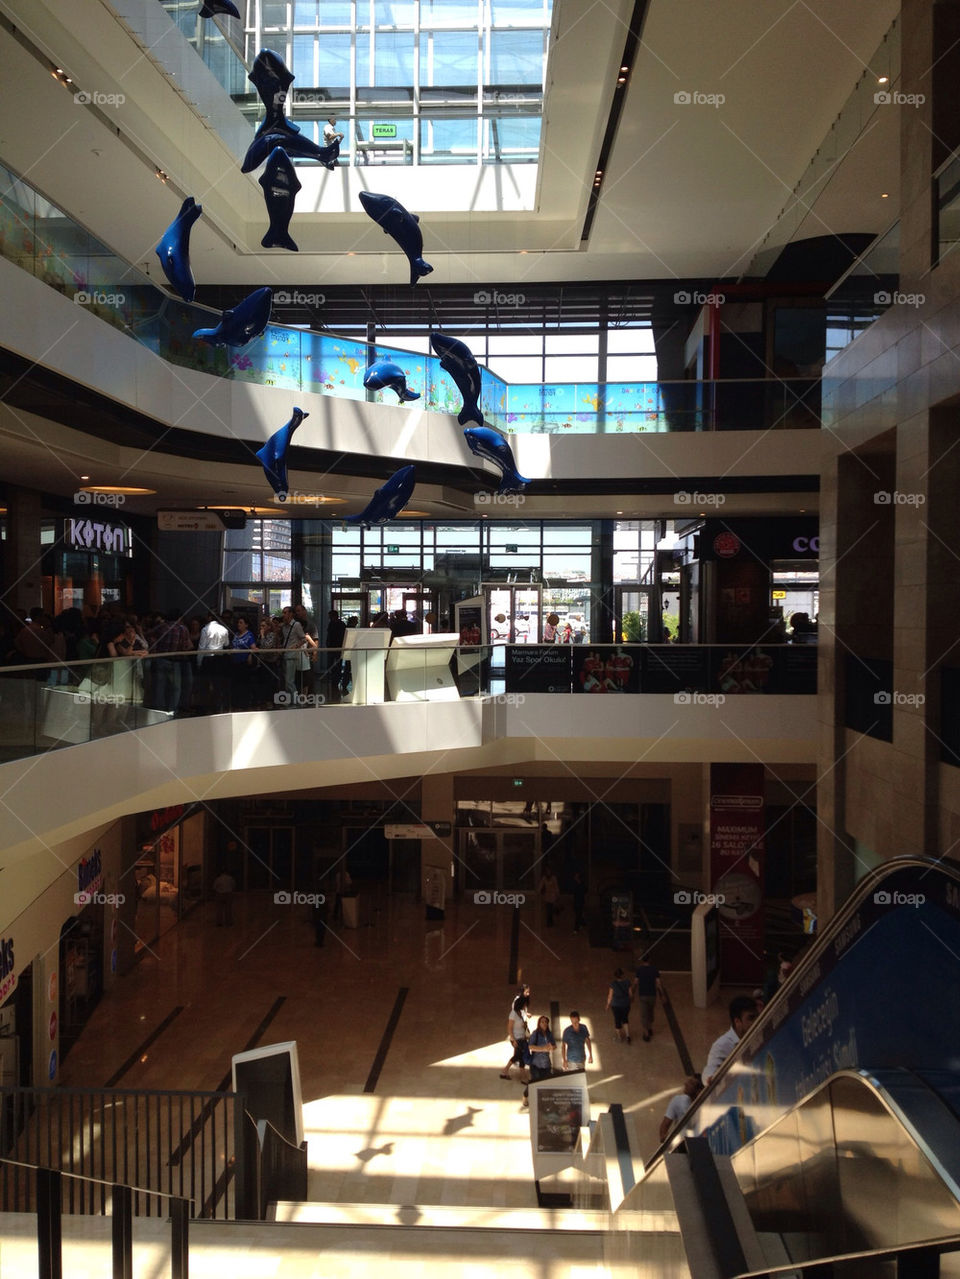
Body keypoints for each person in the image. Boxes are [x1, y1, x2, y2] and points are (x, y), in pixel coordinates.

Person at [703, 994, 759, 1085]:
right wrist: (711, 1077)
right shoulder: (722, 1045)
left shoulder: (757, 1036)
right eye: (751, 1018)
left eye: (757, 1017)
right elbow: (710, 1069)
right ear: (737, 1021)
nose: (756, 1021)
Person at [523, 1014, 556, 1107]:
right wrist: (543, 1048)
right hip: (536, 1064)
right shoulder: (535, 1034)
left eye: (546, 1022)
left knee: (546, 1083)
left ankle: (542, 1101)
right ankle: (525, 1095)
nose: (544, 1023)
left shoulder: (549, 1034)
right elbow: (530, 1046)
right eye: (542, 1022)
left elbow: (554, 1045)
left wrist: (551, 1047)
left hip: (546, 1064)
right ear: (539, 1023)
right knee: (534, 1082)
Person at [631, 954, 665, 1041]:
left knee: (644, 1014)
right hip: (652, 995)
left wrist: (632, 993)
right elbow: (658, 983)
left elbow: (635, 983)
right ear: (649, 960)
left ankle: (646, 1033)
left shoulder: (639, 970)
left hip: (643, 995)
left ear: (642, 961)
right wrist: (662, 995)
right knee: (650, 1012)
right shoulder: (654, 970)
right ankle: (649, 1028)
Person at [659, 1075, 702, 1143]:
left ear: (699, 1090)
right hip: (682, 1142)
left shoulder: (705, 1104)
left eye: (691, 1083)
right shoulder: (678, 1100)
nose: (685, 1084)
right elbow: (665, 1125)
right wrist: (664, 1138)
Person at [500, 988, 530, 1081]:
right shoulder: (513, 1014)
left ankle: (520, 1075)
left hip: (522, 1037)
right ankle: (506, 1072)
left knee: (520, 1056)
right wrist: (513, 1040)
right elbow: (509, 1028)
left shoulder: (520, 1013)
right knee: (518, 1056)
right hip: (517, 1039)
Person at [278, 605, 306, 703]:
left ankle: (296, 701)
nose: (284, 615)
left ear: (291, 614)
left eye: (285, 613)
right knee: (287, 680)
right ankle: (291, 700)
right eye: (283, 613)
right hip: (286, 654)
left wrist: (296, 646)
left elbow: (304, 639)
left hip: (292, 655)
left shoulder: (296, 625)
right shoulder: (284, 626)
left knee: (289, 681)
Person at [606, 967, 633, 1043]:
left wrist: (608, 1004)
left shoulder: (613, 984)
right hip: (626, 1004)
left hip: (616, 1005)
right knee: (625, 1019)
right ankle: (628, 1036)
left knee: (617, 1020)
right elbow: (630, 994)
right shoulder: (627, 982)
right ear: (622, 975)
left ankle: (619, 1037)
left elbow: (610, 996)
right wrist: (630, 1000)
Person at [571, 869, 587, 933]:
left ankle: (576, 928)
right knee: (578, 914)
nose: (575, 877)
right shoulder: (575, 884)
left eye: (576, 876)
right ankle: (582, 923)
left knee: (578, 915)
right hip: (576, 901)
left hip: (580, 901)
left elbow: (584, 891)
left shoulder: (582, 884)